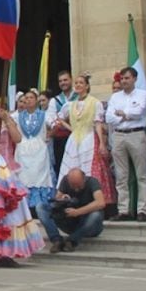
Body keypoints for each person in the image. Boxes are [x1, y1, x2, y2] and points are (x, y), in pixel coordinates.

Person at [0, 95, 44, 265]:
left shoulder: (4, 124)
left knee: (10, 212)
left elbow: (18, 139)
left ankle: (7, 251)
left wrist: (7, 120)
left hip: (6, 171)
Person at [54, 75, 114, 205]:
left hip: (89, 139)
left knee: (89, 169)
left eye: (81, 83)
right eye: (76, 83)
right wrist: (71, 128)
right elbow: (58, 118)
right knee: (72, 169)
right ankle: (71, 199)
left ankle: (92, 200)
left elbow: (98, 123)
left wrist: (102, 144)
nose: (78, 85)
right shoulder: (70, 105)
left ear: (87, 86)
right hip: (74, 140)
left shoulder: (95, 102)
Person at [106, 67, 146, 221]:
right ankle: (123, 210)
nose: (124, 81)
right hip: (118, 135)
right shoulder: (115, 97)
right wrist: (125, 116)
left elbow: (139, 112)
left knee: (141, 174)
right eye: (122, 79)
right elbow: (109, 118)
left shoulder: (143, 94)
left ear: (134, 78)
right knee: (121, 176)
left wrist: (122, 113)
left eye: (127, 78)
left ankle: (142, 210)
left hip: (136, 134)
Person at [36, 168, 106, 252]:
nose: (76, 189)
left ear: (84, 179)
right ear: (68, 180)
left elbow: (100, 202)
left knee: (96, 215)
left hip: (88, 225)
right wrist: (63, 199)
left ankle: (72, 241)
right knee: (41, 207)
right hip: (70, 222)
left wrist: (78, 212)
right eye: (73, 186)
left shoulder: (92, 182)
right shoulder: (65, 180)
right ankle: (56, 240)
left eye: (79, 186)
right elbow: (57, 199)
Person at [13, 89, 54, 210]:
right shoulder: (18, 116)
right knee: (23, 176)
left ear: (36, 100)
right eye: (26, 98)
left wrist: (48, 136)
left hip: (39, 150)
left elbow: (56, 124)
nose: (28, 100)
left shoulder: (44, 115)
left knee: (39, 176)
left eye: (31, 97)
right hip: (22, 149)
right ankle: (24, 205)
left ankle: (39, 205)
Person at [46, 70, 77, 172]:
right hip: (61, 138)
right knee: (61, 166)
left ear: (71, 80)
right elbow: (50, 118)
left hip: (78, 137)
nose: (63, 83)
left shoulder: (79, 96)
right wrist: (59, 123)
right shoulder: (55, 100)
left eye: (65, 80)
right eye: (60, 81)